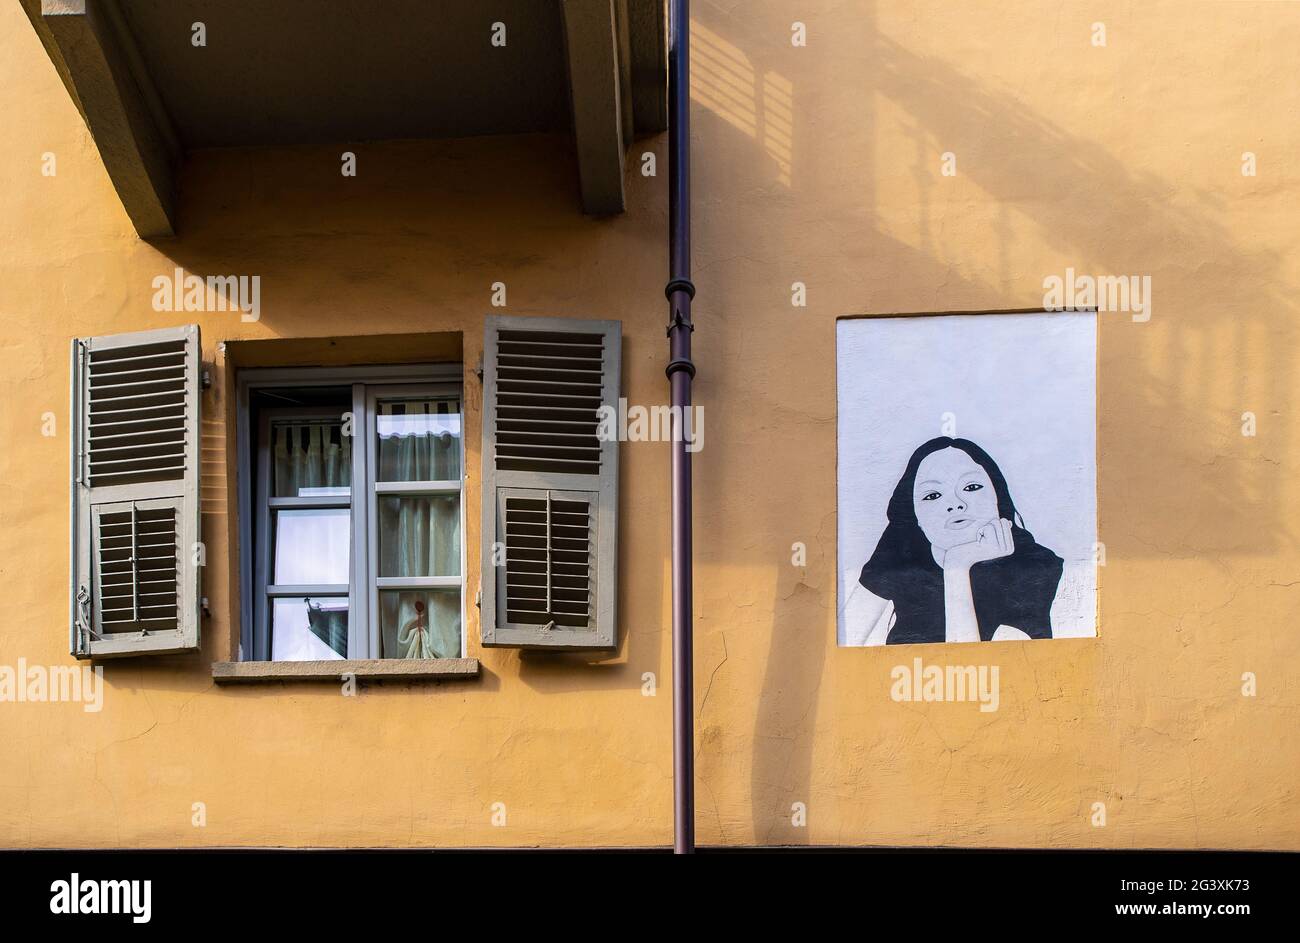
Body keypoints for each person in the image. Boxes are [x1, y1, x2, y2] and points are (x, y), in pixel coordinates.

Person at [857, 437, 1063, 644]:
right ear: (915, 515)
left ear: (997, 498)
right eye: (933, 495)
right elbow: (843, 640)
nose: (955, 504)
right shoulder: (900, 558)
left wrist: (958, 564)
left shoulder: (1035, 566)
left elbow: (969, 665)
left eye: (971, 487)